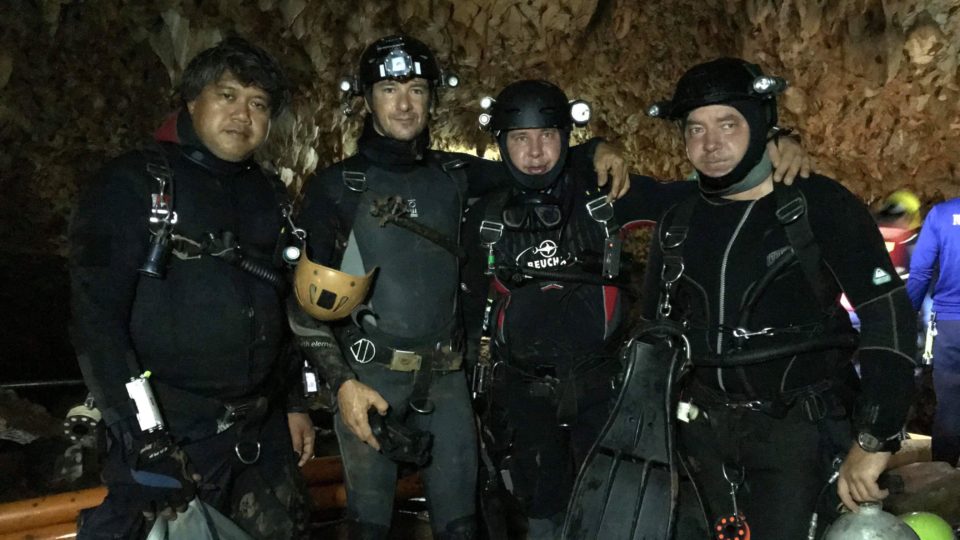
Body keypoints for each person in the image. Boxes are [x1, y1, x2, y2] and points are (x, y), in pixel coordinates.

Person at [288, 36, 628, 540]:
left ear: (432, 98)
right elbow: (300, 308)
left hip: (446, 382)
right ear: (366, 99)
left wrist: (599, 148)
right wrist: (342, 385)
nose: (405, 104)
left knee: (462, 524)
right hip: (370, 378)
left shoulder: (456, 174)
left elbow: (535, 164)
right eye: (389, 89)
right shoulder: (338, 188)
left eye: (418, 89)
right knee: (368, 524)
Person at [461, 80, 812, 539]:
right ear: (502, 146)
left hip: (606, 390)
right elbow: (467, 312)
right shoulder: (484, 217)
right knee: (541, 514)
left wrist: (774, 148)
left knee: (614, 510)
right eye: (520, 139)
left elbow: (710, 193)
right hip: (524, 394)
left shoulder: (608, 197)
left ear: (567, 137)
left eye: (547, 135)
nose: (535, 152)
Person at [641, 58, 917, 539]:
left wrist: (874, 439)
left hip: (800, 441)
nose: (711, 144)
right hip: (700, 443)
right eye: (696, 129)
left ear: (760, 123)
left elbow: (888, 316)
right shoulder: (677, 223)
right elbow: (653, 331)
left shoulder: (817, 206)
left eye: (728, 124)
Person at [69, 37, 311, 539]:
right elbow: (97, 321)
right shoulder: (134, 184)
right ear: (192, 100)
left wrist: (294, 405)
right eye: (227, 96)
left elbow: (281, 306)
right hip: (172, 432)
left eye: (258, 104)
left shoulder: (269, 194)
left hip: (259, 437)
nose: (242, 114)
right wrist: (144, 435)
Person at [907, 197, 960, 452]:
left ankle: (946, 478)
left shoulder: (942, 214)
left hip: (950, 326)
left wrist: (906, 317)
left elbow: (920, 272)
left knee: (949, 404)